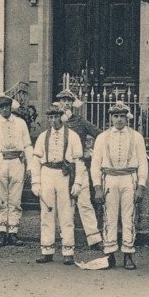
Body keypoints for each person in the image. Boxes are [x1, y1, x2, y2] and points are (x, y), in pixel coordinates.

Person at [91, 102, 149, 270]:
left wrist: (141, 186)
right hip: (109, 178)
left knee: (129, 217)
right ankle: (109, 254)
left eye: (122, 116)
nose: (119, 120)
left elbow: (143, 163)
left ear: (127, 118)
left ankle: (128, 254)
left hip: (129, 179)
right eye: (115, 116)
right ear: (111, 118)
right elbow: (95, 164)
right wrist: (97, 187)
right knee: (109, 216)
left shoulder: (136, 136)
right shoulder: (102, 137)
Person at [29, 103, 86, 265]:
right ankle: (47, 250)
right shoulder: (43, 136)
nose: (53, 120)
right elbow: (35, 159)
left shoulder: (72, 136)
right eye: (50, 117)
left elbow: (79, 161)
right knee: (47, 212)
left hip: (64, 174)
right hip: (47, 173)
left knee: (66, 213)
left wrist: (78, 183)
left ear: (62, 116)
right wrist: (36, 182)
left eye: (56, 117)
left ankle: (68, 251)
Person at [56, 88, 103, 250]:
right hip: (60, 168)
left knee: (85, 202)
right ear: (59, 103)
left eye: (69, 100)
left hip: (79, 166)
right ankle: (66, 239)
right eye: (63, 100)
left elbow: (100, 135)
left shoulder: (81, 122)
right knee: (64, 204)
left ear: (73, 103)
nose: (66, 103)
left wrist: (91, 150)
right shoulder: (55, 122)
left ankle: (94, 239)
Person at [0, 93, 33, 246]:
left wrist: (30, 166)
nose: (5, 109)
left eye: (7, 106)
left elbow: (27, 145)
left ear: (10, 107)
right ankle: (1, 231)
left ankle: (13, 231)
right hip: (0, 162)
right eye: (1, 107)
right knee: (0, 198)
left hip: (16, 162)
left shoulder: (20, 123)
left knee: (15, 198)